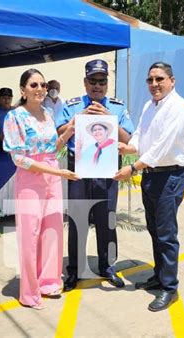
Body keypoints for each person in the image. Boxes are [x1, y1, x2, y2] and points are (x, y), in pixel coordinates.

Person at [114, 62, 184, 312]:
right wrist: (131, 147)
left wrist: (133, 168)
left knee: (167, 234)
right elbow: (140, 133)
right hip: (151, 175)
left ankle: (169, 288)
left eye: (159, 79)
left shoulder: (179, 107)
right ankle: (159, 276)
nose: (154, 84)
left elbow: (162, 147)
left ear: (172, 80)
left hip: (169, 176)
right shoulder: (150, 105)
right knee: (155, 230)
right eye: (150, 80)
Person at [3, 69, 79, 310]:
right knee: (30, 234)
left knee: (52, 231)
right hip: (30, 179)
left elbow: (52, 149)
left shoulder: (47, 113)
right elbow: (19, 159)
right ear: (23, 90)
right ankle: (29, 292)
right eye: (34, 85)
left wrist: (70, 130)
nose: (39, 89)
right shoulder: (15, 117)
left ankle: (48, 282)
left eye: (42, 85)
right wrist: (58, 172)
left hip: (52, 176)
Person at [56, 59, 134, 291]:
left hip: (107, 170)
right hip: (79, 170)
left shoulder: (118, 107)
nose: (97, 85)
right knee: (78, 220)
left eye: (102, 81)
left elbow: (128, 139)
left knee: (106, 220)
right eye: (93, 81)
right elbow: (58, 132)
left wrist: (108, 116)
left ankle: (107, 267)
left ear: (107, 83)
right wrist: (78, 117)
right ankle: (75, 270)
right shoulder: (72, 105)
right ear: (85, 82)